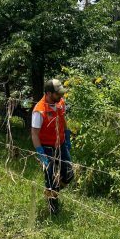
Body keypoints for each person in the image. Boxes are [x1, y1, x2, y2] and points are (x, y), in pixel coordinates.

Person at [31, 79, 74, 214]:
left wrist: (66, 138)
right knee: (51, 179)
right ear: (49, 93)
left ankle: (53, 191)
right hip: (47, 148)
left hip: (61, 144)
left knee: (69, 174)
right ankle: (53, 209)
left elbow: (63, 120)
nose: (60, 96)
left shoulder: (60, 103)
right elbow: (34, 134)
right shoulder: (39, 111)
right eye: (57, 94)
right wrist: (41, 154)